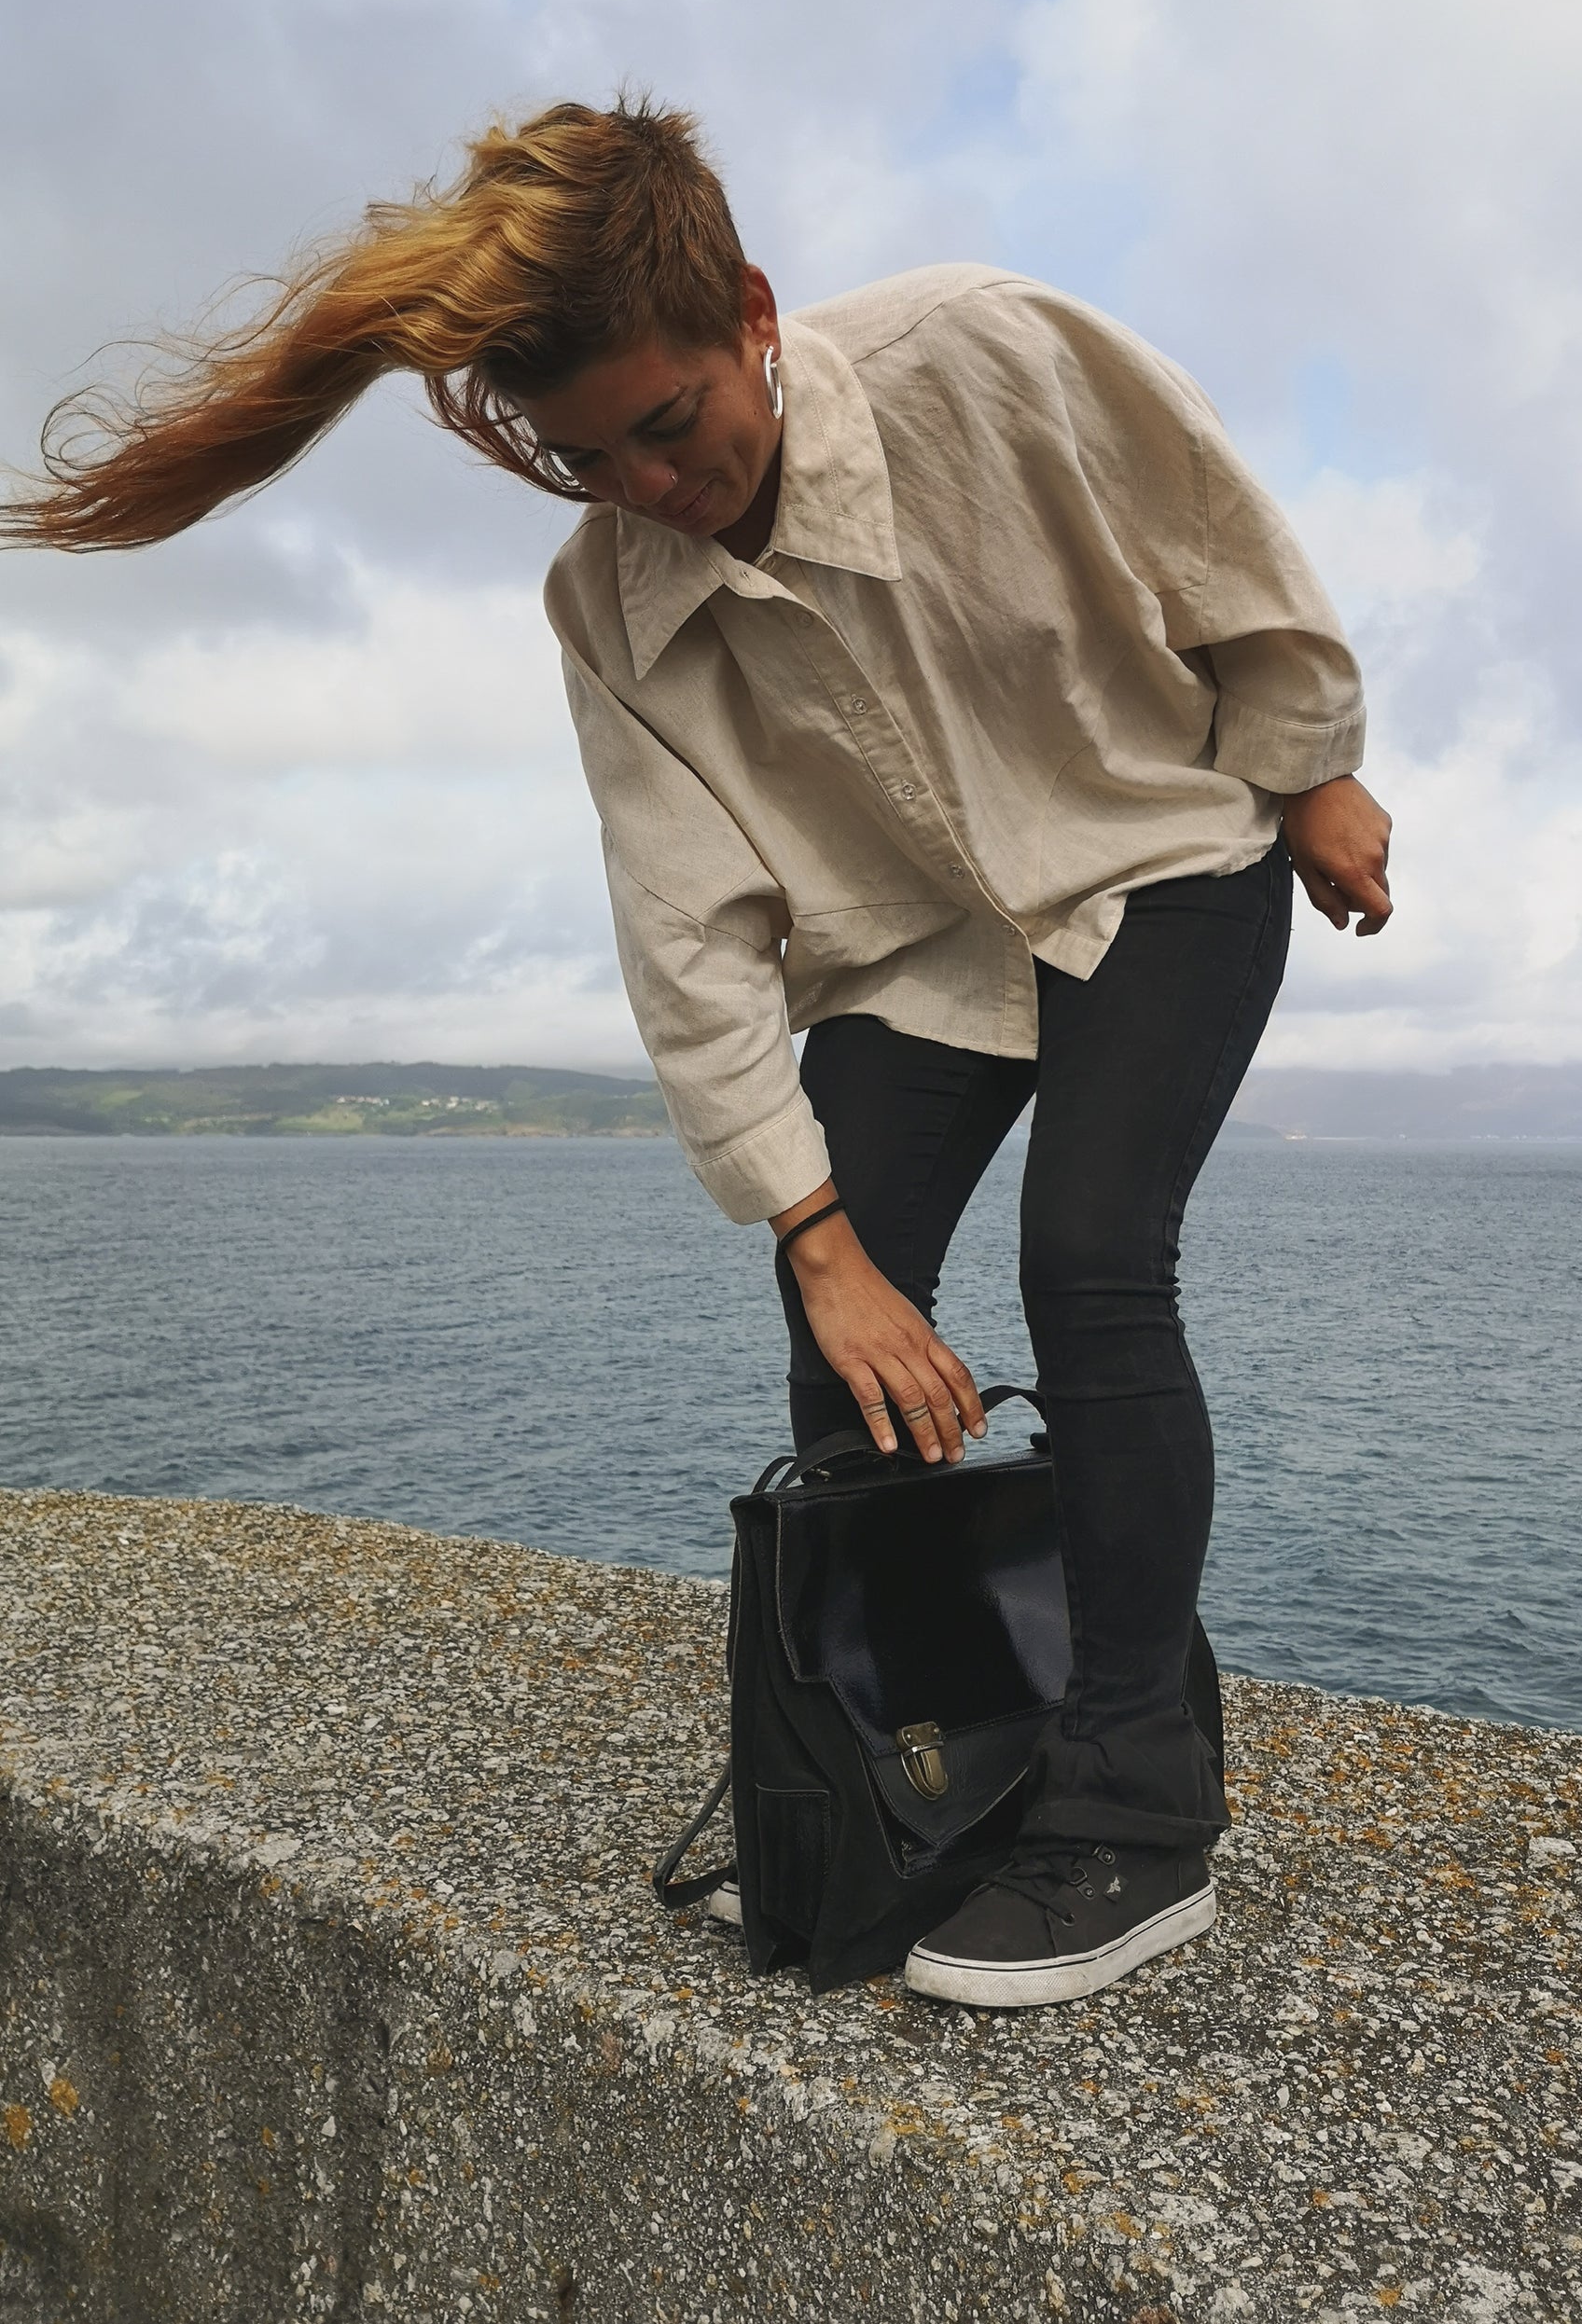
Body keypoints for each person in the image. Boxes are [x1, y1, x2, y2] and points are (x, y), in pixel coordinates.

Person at [6, 97, 1392, 2007]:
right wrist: (817, 1242)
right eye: (586, 460)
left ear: (749, 312)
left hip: (1162, 847)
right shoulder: (608, 605)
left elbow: (1217, 546)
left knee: (1089, 1259)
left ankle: (1136, 1819)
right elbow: (691, 930)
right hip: (912, 942)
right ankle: (921, 1766)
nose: (650, 483)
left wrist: (1313, 767)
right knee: (849, 1342)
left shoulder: (978, 348)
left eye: (672, 424)